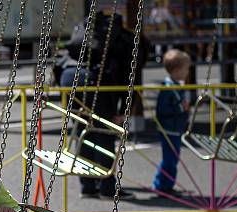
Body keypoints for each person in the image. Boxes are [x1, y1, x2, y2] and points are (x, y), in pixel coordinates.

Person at [61, 11, 141, 200]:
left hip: (70, 79)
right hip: (97, 83)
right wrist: (123, 112)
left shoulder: (85, 33)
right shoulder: (124, 40)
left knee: (84, 131)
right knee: (105, 135)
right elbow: (128, 78)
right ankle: (107, 187)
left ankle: (87, 185)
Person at [152, 49, 191, 194]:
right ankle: (162, 185)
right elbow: (163, 110)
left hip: (175, 128)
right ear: (176, 70)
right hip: (168, 129)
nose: (187, 72)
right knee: (170, 159)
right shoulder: (168, 88)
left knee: (172, 158)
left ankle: (164, 184)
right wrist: (182, 107)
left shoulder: (175, 86)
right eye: (186, 69)